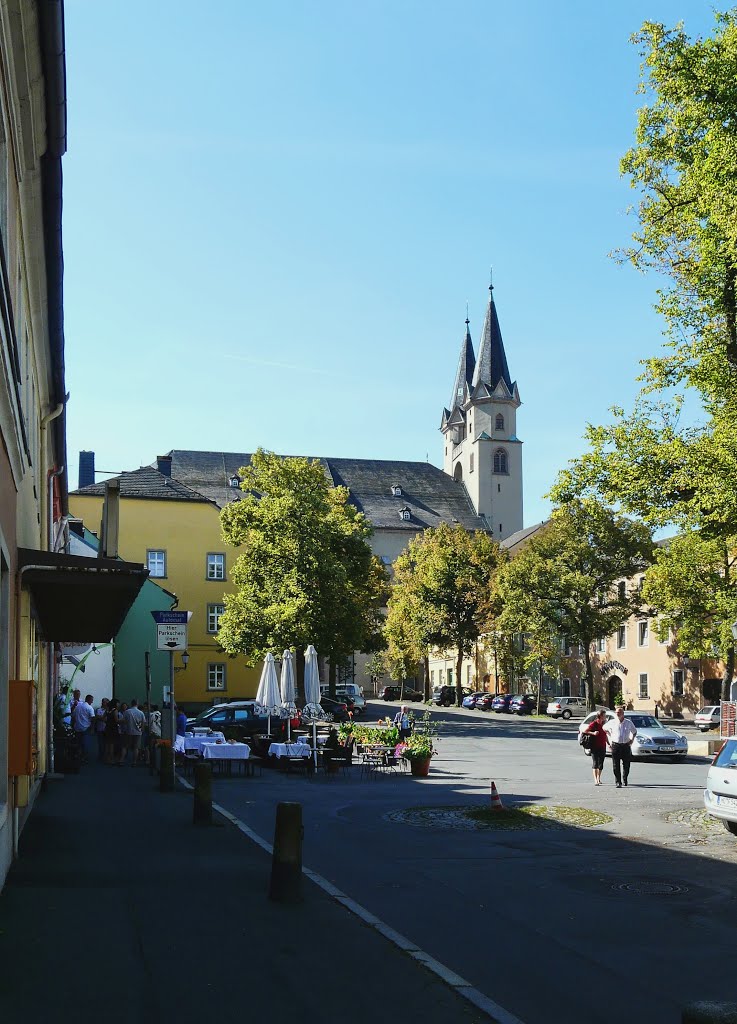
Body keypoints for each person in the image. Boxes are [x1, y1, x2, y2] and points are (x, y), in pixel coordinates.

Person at [603, 706, 637, 787]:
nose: (617, 714)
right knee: (616, 764)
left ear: (623, 713)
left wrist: (632, 740)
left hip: (625, 745)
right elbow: (603, 728)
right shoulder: (612, 722)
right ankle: (618, 781)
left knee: (626, 764)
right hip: (616, 745)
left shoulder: (628, 722)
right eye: (616, 712)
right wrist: (608, 733)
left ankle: (625, 778)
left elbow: (634, 731)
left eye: (619, 712)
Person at [584, 709, 608, 786]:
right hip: (594, 746)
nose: (605, 717)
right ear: (600, 716)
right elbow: (585, 731)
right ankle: (595, 780)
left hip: (603, 746)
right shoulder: (594, 724)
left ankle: (598, 778)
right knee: (595, 763)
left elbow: (605, 734)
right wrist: (593, 733)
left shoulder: (605, 724)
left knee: (601, 763)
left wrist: (608, 742)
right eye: (604, 715)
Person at [121, 699, 146, 766]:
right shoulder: (141, 713)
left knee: (124, 746)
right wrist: (141, 730)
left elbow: (123, 721)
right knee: (136, 748)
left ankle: (122, 760)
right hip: (138, 732)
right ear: (137, 704)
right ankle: (134, 762)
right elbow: (143, 723)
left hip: (128, 731)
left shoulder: (127, 712)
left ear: (131, 703)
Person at [72, 694, 95, 763]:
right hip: (86, 728)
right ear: (89, 700)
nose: (92, 702)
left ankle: (78, 756)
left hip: (77, 728)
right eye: (92, 700)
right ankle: (84, 758)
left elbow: (73, 716)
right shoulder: (89, 708)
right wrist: (92, 728)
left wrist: (74, 725)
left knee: (78, 743)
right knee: (85, 744)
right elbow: (93, 718)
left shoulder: (78, 707)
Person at [104, 699, 121, 764]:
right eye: (118, 703)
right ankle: (111, 759)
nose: (118, 704)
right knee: (112, 744)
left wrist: (108, 722)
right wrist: (123, 721)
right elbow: (117, 720)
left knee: (107, 744)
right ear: (115, 703)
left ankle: (107, 759)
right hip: (113, 729)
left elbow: (103, 718)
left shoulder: (107, 710)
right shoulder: (115, 710)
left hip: (107, 728)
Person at [95, 697, 109, 761]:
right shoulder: (99, 710)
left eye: (106, 702)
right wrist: (103, 718)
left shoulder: (109, 711)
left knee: (107, 743)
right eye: (103, 702)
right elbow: (97, 717)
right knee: (100, 743)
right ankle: (101, 756)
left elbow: (106, 719)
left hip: (107, 729)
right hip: (100, 728)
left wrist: (101, 718)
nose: (104, 703)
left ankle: (105, 756)